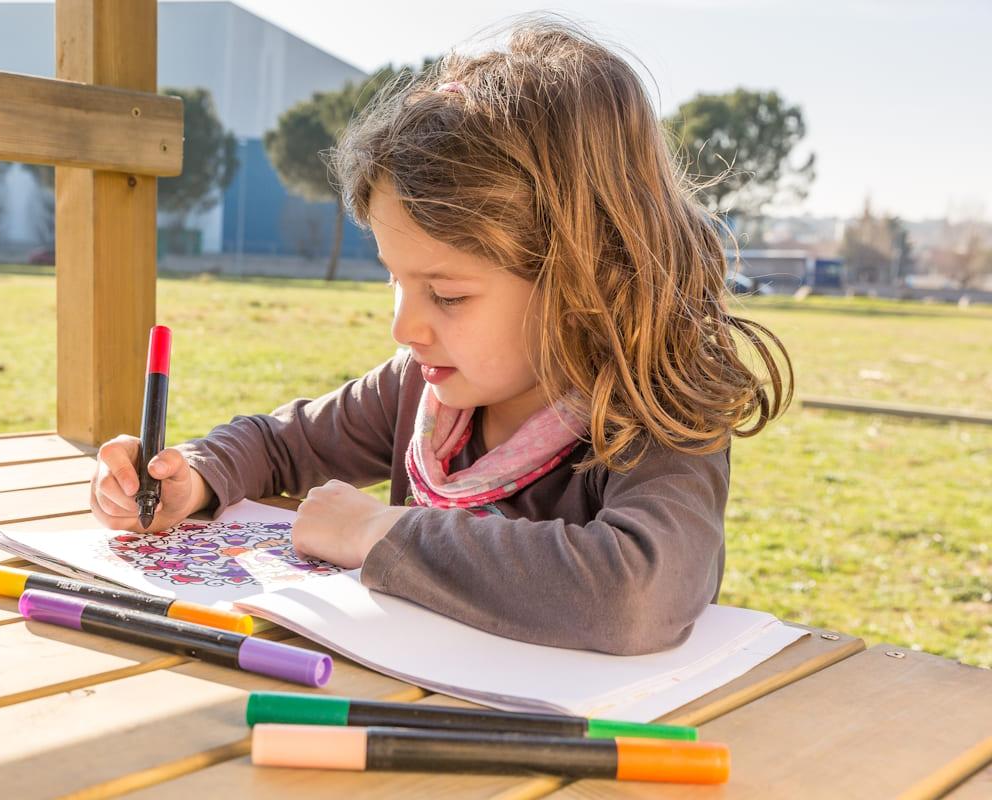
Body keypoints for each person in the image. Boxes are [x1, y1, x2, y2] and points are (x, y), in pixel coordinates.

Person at [89, 18, 791, 655]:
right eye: (394, 280)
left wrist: (376, 532)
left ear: (586, 277)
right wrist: (195, 476)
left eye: (447, 294)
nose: (403, 326)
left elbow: (638, 596)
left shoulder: (658, 414)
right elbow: (282, 443)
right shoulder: (422, 391)